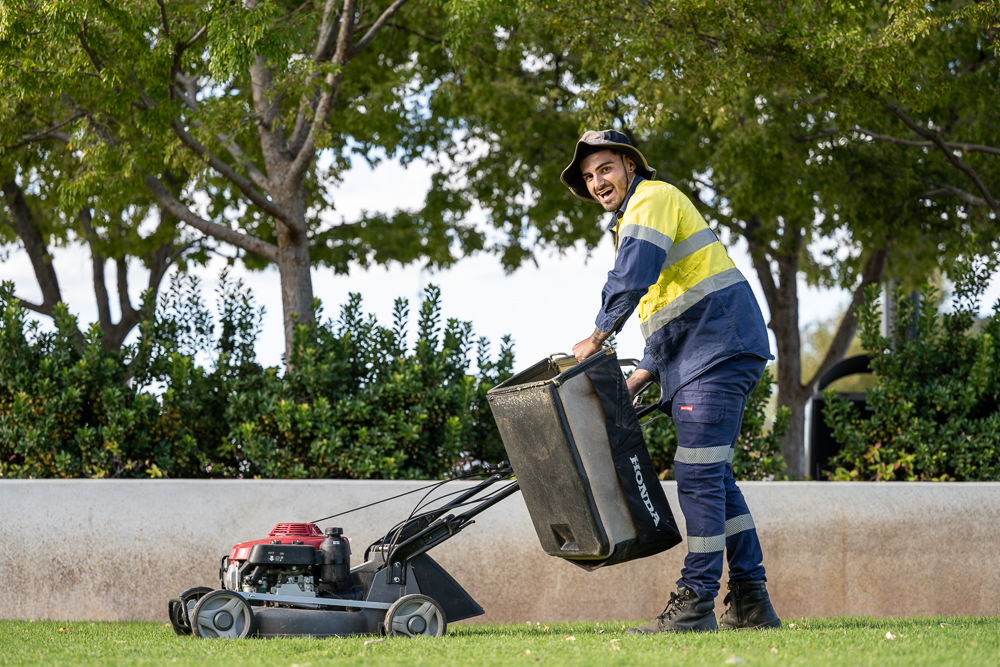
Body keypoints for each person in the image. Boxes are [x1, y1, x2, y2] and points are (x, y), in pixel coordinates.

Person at [562, 129, 781, 633]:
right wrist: (638, 378)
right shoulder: (636, 219)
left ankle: (696, 602)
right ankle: (751, 601)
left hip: (717, 346)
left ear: (630, 165)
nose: (597, 182)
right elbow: (666, 315)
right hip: (709, 349)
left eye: (605, 168)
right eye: (589, 177)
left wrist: (596, 336)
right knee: (715, 479)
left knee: (697, 475)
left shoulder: (652, 199)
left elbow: (631, 278)